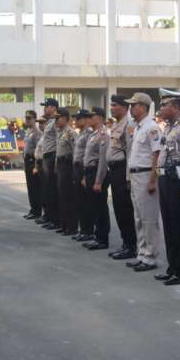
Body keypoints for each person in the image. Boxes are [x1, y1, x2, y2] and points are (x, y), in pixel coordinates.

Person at [154, 91, 180, 286]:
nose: (161, 108)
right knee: (169, 227)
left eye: (165, 105)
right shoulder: (167, 127)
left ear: (177, 107)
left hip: (177, 182)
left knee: (179, 228)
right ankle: (172, 268)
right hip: (164, 180)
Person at [123, 92, 161, 272]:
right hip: (136, 176)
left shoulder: (151, 127)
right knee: (138, 218)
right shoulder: (137, 127)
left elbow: (156, 155)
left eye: (134, 105)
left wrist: (153, 180)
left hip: (146, 176)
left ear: (143, 107)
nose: (131, 108)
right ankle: (142, 254)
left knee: (148, 219)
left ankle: (150, 257)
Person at [106, 95, 138, 260]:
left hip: (121, 170)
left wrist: (127, 178)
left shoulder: (129, 125)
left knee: (125, 209)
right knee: (118, 209)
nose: (112, 108)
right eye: (111, 105)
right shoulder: (117, 124)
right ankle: (126, 243)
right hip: (114, 170)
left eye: (115, 105)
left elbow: (129, 152)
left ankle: (131, 246)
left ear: (125, 108)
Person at [82, 108, 110, 250]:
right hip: (89, 172)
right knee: (93, 206)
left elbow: (103, 160)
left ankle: (102, 238)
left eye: (91, 116)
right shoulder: (93, 134)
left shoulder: (103, 134)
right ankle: (97, 235)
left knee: (100, 207)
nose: (88, 119)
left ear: (99, 118)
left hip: (97, 172)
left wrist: (99, 180)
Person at [55, 108, 78, 235]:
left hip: (68, 165)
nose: (57, 120)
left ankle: (72, 226)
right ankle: (64, 224)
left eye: (59, 118)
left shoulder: (71, 132)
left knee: (69, 197)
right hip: (60, 165)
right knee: (62, 196)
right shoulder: (60, 132)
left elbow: (75, 151)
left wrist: (75, 170)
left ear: (65, 118)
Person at [72, 110, 93, 241]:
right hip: (76, 168)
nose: (76, 121)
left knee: (86, 202)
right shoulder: (80, 134)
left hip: (83, 168)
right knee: (79, 200)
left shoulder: (89, 134)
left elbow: (88, 154)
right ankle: (83, 229)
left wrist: (85, 175)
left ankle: (88, 230)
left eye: (78, 119)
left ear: (85, 120)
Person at [38, 98, 60, 229]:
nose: (44, 109)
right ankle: (49, 217)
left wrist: (56, 160)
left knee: (52, 190)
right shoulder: (49, 122)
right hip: (46, 158)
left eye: (46, 106)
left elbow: (58, 142)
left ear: (53, 108)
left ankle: (55, 219)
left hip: (52, 157)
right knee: (47, 189)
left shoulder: (55, 122)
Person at [22, 111, 42, 219]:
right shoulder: (28, 131)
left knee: (35, 188)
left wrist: (36, 166)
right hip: (27, 160)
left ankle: (37, 211)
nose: (27, 120)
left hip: (33, 160)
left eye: (29, 118)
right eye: (26, 118)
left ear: (35, 119)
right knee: (30, 187)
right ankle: (33, 209)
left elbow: (38, 150)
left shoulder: (37, 132)